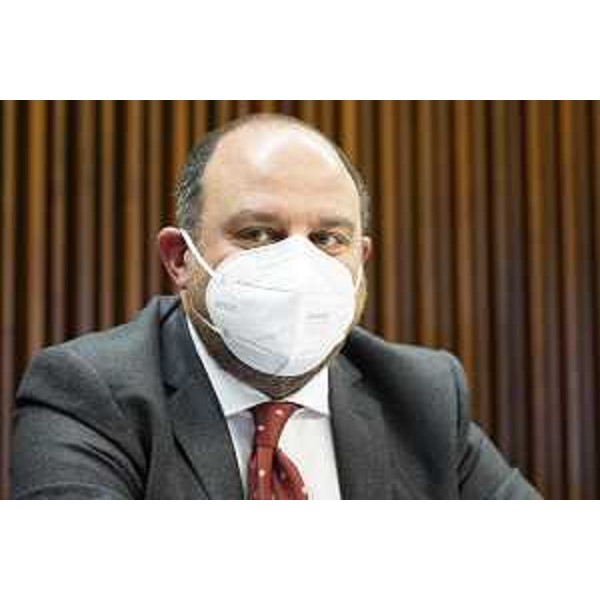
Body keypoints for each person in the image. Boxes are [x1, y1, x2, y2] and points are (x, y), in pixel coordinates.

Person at [10, 114, 541, 499]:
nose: (299, 265)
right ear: (180, 258)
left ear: (361, 261)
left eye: (328, 239)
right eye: (258, 234)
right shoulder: (88, 393)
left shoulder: (422, 395)